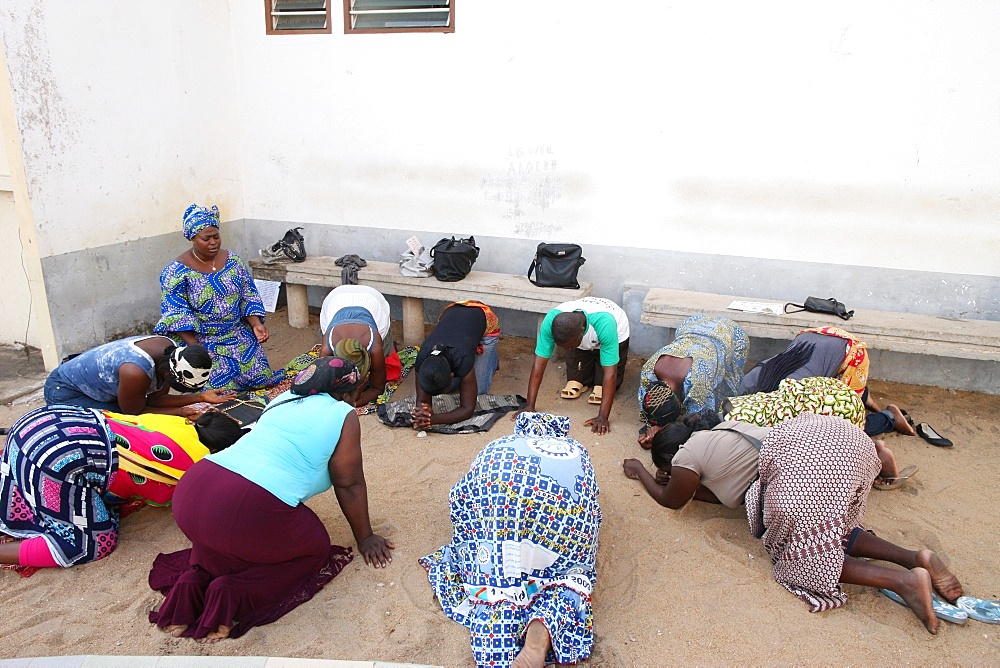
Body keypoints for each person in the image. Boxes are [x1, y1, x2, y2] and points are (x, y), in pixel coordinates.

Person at [147, 355, 394, 642]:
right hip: (247, 503)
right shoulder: (343, 414)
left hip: (194, 490)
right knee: (315, 549)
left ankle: (193, 580)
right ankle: (231, 593)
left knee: (222, 538)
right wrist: (365, 537)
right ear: (347, 391)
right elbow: (348, 482)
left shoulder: (282, 399)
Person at [745, 413, 962, 634]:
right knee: (834, 526)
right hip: (853, 444)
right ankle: (913, 557)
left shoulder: (715, 451)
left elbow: (733, 492)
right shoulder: (746, 427)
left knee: (797, 555)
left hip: (804, 468)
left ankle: (903, 581)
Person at [420, 412, 602, 667]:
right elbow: (591, 509)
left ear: (521, 430)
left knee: (496, 573)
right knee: (568, 578)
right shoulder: (578, 450)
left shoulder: (499, 445)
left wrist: (472, 539)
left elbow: (462, 495)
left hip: (503, 516)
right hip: (558, 522)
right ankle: (541, 630)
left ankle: (504, 602)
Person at [0, 405, 245, 569]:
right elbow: (164, 498)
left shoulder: (177, 425)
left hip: (40, 424)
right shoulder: (188, 466)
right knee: (92, 544)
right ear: (216, 452)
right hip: (53, 459)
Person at [154, 203, 283, 391]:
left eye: (216, 236)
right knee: (221, 393)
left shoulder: (233, 261)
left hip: (238, 334)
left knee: (261, 380)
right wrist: (197, 348)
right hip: (205, 342)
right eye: (206, 238)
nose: (213, 242)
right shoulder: (176, 273)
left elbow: (247, 294)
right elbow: (176, 315)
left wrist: (255, 324)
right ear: (192, 238)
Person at [723, 375, 910, 486]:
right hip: (820, 391)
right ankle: (888, 420)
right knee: (844, 428)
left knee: (834, 438)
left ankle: (880, 445)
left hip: (826, 404)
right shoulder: (728, 406)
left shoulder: (733, 435)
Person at [738, 327, 915, 438]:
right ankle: (875, 406)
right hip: (816, 337)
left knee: (842, 426)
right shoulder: (755, 377)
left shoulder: (793, 391)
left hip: (851, 352)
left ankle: (889, 418)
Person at [517, 296, 630, 435]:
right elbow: (538, 365)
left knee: (604, 383)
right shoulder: (551, 321)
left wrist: (602, 417)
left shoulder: (605, 323)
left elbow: (610, 374)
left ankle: (595, 367)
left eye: (570, 346)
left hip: (614, 335)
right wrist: (530, 405)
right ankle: (586, 362)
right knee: (577, 380)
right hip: (581, 338)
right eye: (563, 347)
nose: (567, 350)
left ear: (582, 331)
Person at [43, 335, 232, 416]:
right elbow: (134, 412)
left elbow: (156, 400)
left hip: (95, 386)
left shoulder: (168, 352)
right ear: (168, 373)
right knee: (122, 425)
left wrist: (200, 397)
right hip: (64, 391)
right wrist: (179, 412)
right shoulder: (135, 373)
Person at [636, 314, 748, 447]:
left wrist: (664, 433)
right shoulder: (648, 373)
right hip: (693, 325)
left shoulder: (698, 381)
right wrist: (652, 427)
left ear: (680, 403)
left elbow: (700, 422)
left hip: (730, 334)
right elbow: (649, 410)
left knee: (723, 392)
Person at [623, 410, 766, 509]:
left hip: (785, 461)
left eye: (670, 471)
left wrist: (639, 470)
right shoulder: (714, 432)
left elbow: (669, 500)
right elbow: (722, 493)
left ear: (673, 458)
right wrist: (676, 482)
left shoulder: (686, 454)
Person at [411, 300, 501, 429]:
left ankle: (491, 359)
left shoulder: (462, 358)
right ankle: (475, 352)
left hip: (484, 317)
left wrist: (434, 419)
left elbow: (468, 408)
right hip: (451, 312)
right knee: (458, 382)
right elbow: (422, 401)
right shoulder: (422, 360)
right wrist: (422, 414)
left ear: (452, 374)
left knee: (480, 391)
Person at [319, 284, 394, 407]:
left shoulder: (374, 346)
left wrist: (354, 401)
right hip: (337, 298)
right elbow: (321, 388)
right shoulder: (327, 349)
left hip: (371, 299)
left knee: (385, 351)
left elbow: (377, 388)